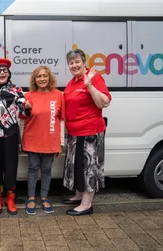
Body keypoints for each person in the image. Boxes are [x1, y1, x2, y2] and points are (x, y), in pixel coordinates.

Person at [62, 49, 111, 216]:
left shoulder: (93, 77)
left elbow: (104, 103)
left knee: (88, 167)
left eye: (77, 62)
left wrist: (89, 85)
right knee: (77, 166)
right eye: (71, 63)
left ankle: (86, 205)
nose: (74, 65)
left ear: (84, 62)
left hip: (89, 132)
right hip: (74, 133)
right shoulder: (73, 81)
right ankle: (78, 195)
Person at [0, 58, 31, 215]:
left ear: (9, 73)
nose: (2, 73)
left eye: (4, 71)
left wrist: (28, 108)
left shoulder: (16, 91)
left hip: (10, 134)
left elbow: (24, 113)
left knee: (11, 167)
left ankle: (10, 197)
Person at [20, 65, 65, 215]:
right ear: (35, 79)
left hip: (51, 140)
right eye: (39, 76)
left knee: (46, 170)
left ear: (49, 77)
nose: (42, 79)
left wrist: (61, 143)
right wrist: (21, 142)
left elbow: (61, 120)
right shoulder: (28, 96)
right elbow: (22, 120)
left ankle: (44, 197)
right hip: (32, 139)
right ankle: (31, 197)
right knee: (33, 168)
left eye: (45, 76)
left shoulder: (59, 95)